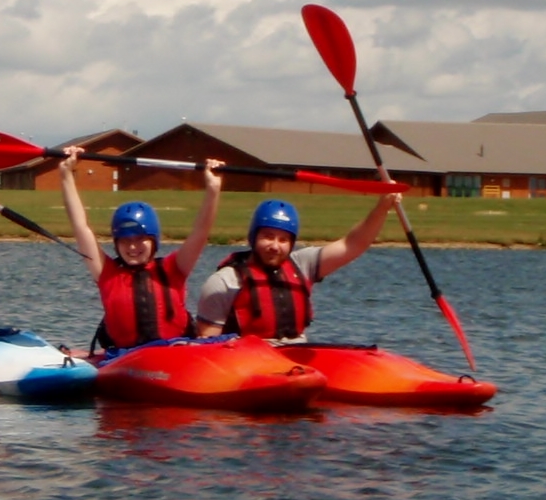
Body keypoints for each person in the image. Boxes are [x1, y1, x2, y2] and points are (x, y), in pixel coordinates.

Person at [58, 146, 223, 351]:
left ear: (153, 241)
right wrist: (66, 174)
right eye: (125, 240)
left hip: (176, 353)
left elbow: (200, 232)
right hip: (126, 359)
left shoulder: (174, 268)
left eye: (140, 239)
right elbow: (80, 226)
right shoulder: (107, 274)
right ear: (116, 244)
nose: (133, 246)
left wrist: (213, 190)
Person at [194, 194, 398, 343]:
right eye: (267, 236)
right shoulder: (224, 281)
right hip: (246, 358)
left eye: (283, 239)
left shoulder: (302, 264)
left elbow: (353, 245)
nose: (275, 246)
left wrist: (382, 207)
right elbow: (208, 343)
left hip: (295, 357)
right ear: (253, 237)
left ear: (292, 244)